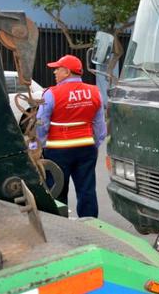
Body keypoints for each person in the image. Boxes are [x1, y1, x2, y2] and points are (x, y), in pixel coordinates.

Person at [35, 54, 106, 218]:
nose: (54, 73)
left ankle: (60, 223)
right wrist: (94, 144)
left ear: (66, 72)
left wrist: (42, 145)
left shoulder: (51, 93)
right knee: (87, 189)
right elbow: (100, 126)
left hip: (57, 150)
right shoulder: (94, 92)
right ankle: (90, 225)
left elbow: (41, 124)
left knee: (57, 189)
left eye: (57, 69)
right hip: (86, 148)